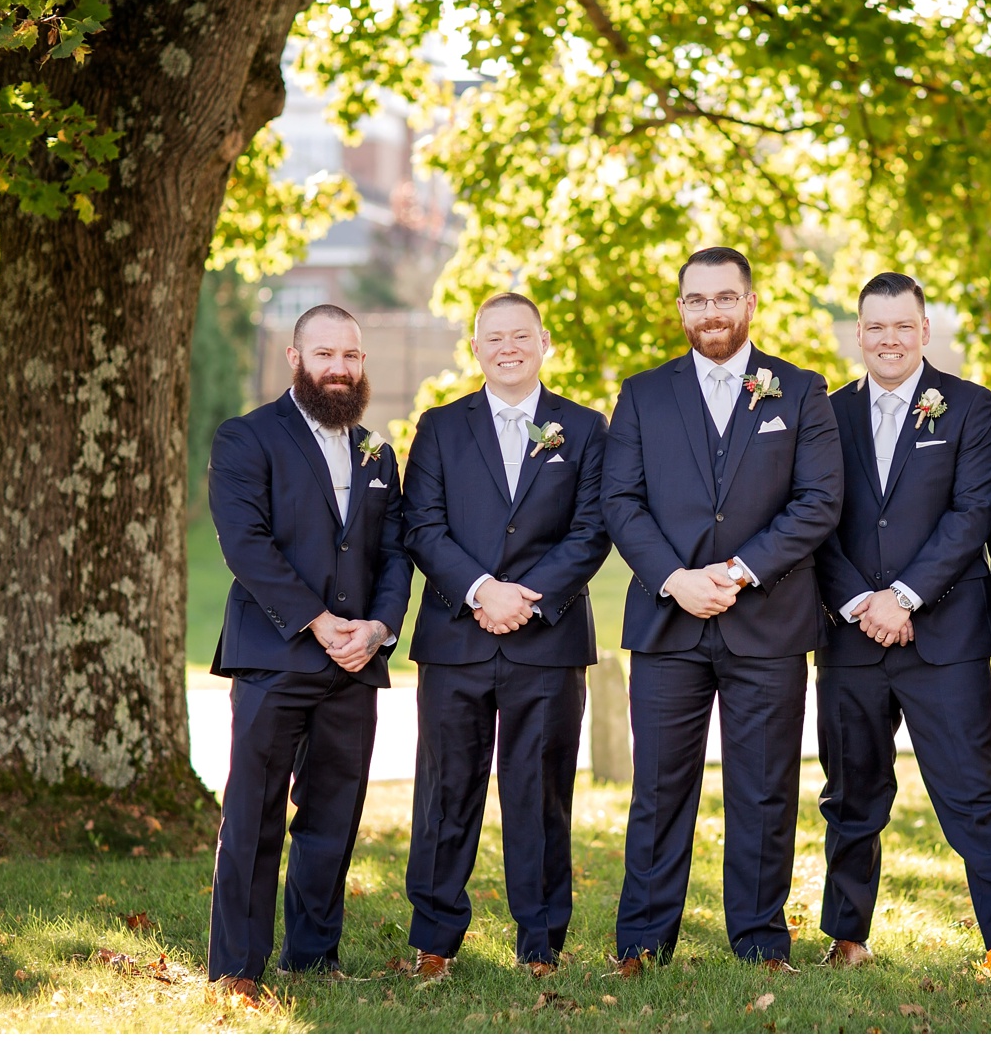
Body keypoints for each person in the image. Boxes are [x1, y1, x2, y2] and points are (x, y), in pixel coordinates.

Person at [602, 246, 843, 976]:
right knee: (659, 787)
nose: (712, 311)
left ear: (750, 303)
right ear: (681, 309)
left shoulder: (799, 391)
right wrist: (676, 578)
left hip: (767, 622)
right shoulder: (643, 394)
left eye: (725, 297)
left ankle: (762, 940)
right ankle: (643, 940)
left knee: (766, 787)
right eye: (697, 299)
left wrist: (737, 572)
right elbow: (621, 501)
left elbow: (819, 501)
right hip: (668, 621)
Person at [814, 272, 991, 976]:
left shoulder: (970, 407)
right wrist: (861, 603)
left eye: (901, 326)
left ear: (924, 332)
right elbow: (816, 518)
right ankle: (847, 937)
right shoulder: (826, 413)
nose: (888, 338)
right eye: (875, 327)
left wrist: (904, 597)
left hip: (945, 636)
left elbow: (972, 513)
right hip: (851, 637)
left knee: (971, 791)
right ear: (858, 333)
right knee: (851, 793)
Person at [400, 292, 611, 981]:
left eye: (521, 335)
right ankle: (434, 940)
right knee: (444, 790)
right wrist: (481, 590)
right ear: (476, 345)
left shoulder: (583, 428)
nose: (508, 347)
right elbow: (422, 525)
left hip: (546, 640)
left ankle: (541, 940)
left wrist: (527, 597)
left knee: (541, 793)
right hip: (457, 636)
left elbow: (592, 530)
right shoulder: (438, 426)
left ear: (545, 341)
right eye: (495, 337)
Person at [206, 304, 412, 995]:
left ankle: (313, 956)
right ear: (296, 359)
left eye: (351, 356)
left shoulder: (378, 450)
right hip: (275, 655)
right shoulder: (246, 438)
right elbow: (247, 547)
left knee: (333, 815)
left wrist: (378, 628)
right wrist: (318, 621)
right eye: (325, 354)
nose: (340, 368)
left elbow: (396, 553)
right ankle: (237, 965)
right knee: (254, 815)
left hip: (356, 662)